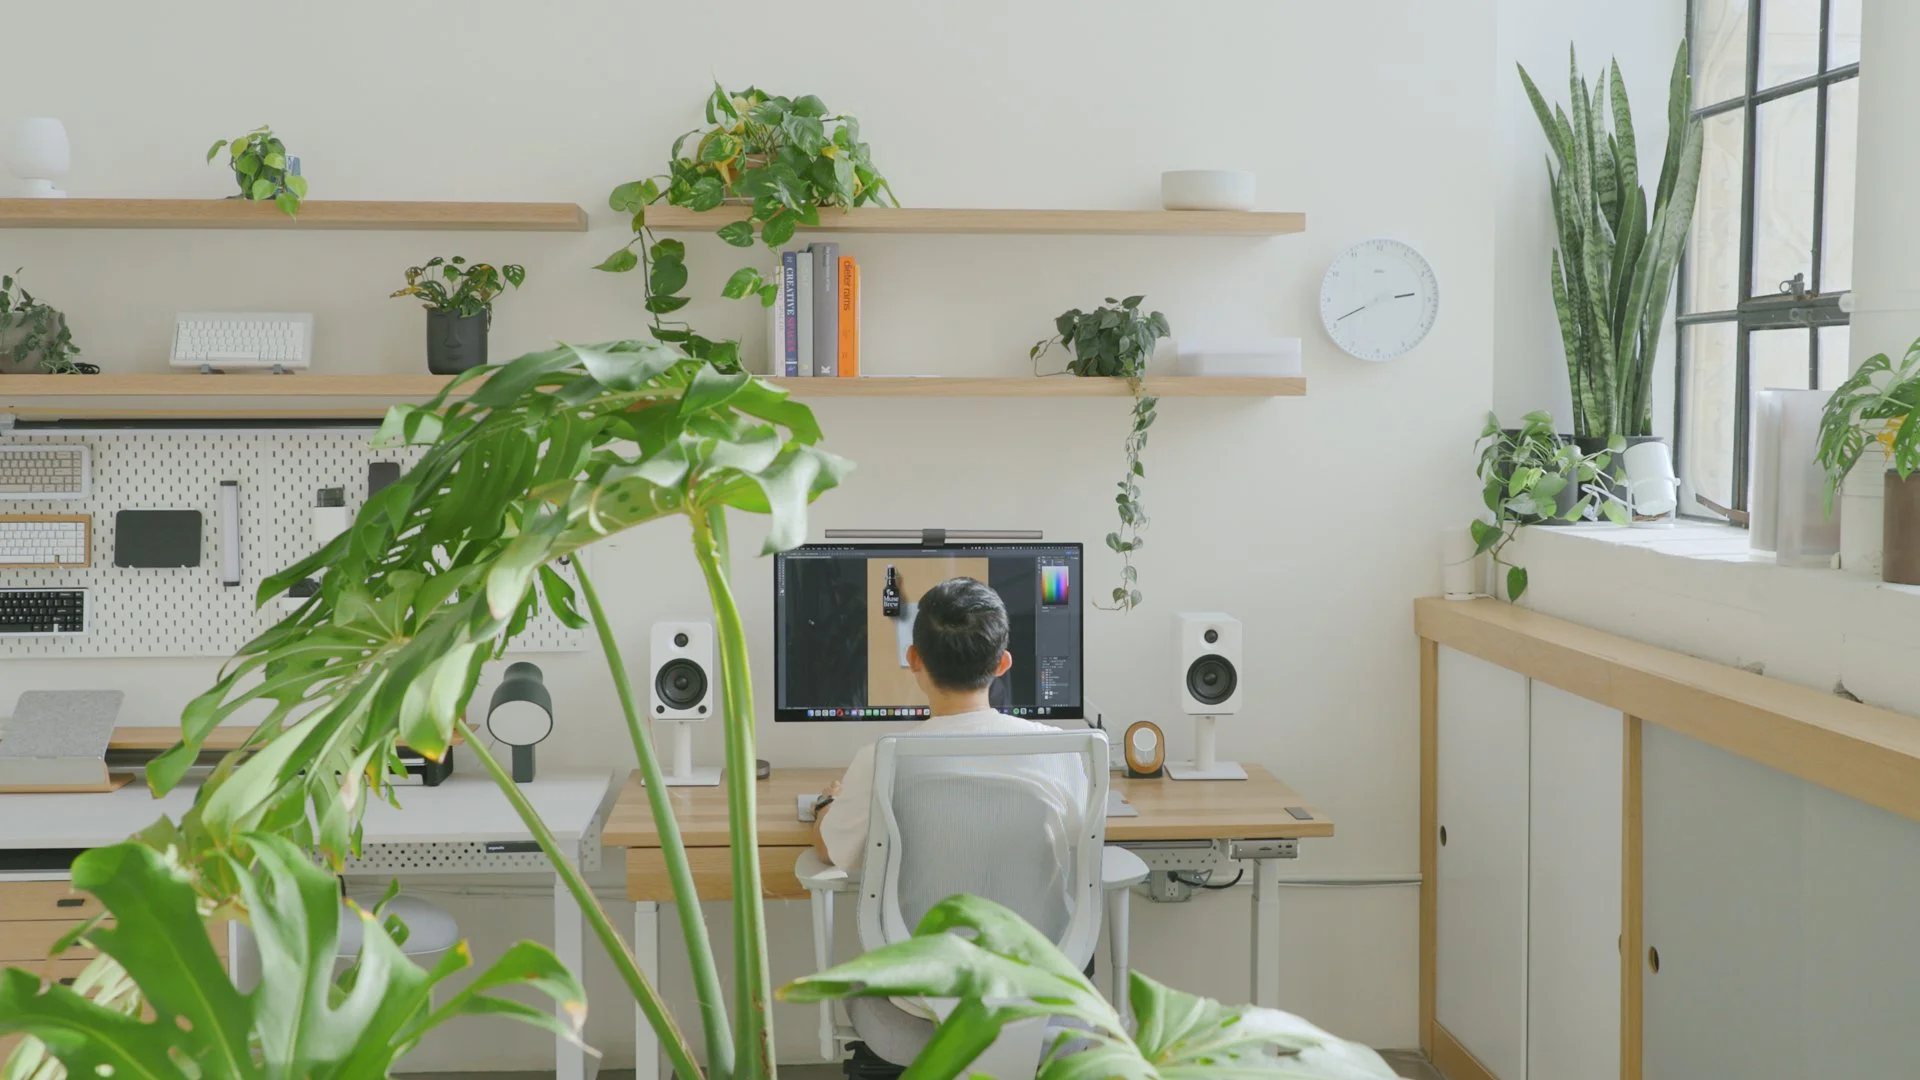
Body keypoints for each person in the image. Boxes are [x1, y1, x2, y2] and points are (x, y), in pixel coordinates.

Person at [811, 576, 1090, 870]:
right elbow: (1078, 836)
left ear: (913, 658)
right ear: (1002, 664)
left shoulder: (881, 760)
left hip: (922, 919)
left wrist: (826, 804)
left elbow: (829, 850)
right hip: (1031, 919)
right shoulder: (1058, 752)